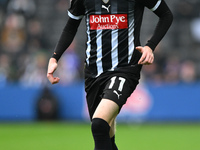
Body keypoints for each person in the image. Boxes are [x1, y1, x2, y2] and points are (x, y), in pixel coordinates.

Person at [47, 0, 173, 149]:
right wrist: (55, 57)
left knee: (99, 124)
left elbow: (166, 15)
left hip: (125, 69)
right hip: (93, 73)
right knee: (105, 135)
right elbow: (70, 27)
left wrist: (150, 46)